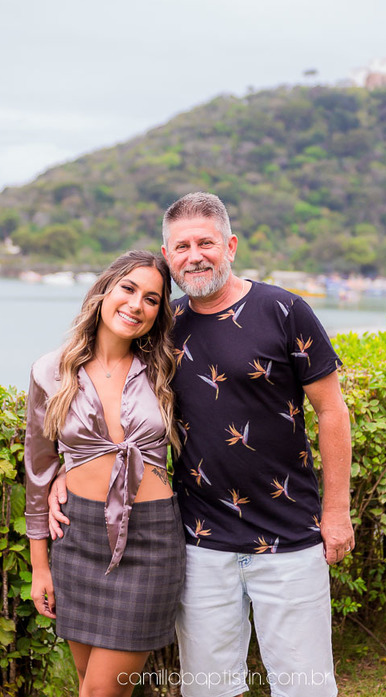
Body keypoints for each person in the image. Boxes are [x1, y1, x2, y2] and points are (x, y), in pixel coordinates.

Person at [52, 193, 355, 697]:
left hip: (290, 538)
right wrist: (70, 470)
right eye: (182, 246)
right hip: (199, 542)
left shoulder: (284, 310)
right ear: (167, 257)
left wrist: (337, 510)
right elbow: (114, 403)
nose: (194, 256)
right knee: (209, 689)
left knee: (306, 687)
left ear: (230, 246)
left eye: (206, 243)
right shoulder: (161, 328)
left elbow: (332, 411)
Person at [23, 250, 184, 697]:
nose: (136, 305)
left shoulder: (168, 369)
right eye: (128, 289)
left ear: (159, 313)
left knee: (100, 691)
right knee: (87, 684)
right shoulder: (50, 371)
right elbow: (38, 470)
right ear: (103, 292)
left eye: (152, 299)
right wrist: (40, 567)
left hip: (151, 541)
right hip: (77, 538)